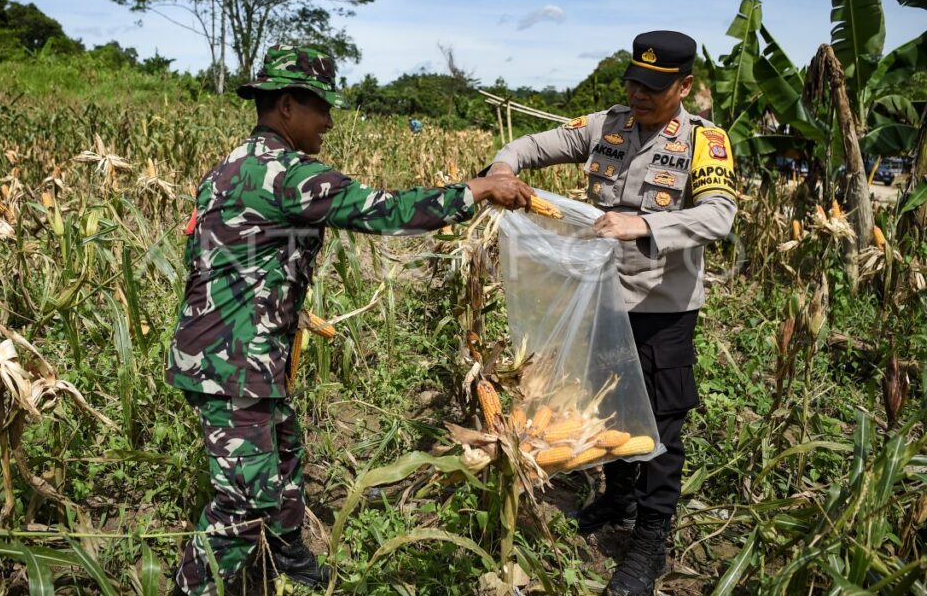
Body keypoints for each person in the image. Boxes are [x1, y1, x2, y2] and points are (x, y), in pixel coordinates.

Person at [167, 45, 534, 595]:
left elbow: (218, 258)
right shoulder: (289, 175)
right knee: (243, 501)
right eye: (321, 108)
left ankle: (288, 556)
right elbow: (387, 211)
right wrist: (476, 190)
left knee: (284, 450)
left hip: (230, 351)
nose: (329, 122)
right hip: (234, 362)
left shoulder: (227, 168)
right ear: (287, 106)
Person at [485, 31, 737, 596]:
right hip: (603, 296)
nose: (638, 95)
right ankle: (617, 498)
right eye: (633, 83)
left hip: (662, 308)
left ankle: (649, 540)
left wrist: (643, 223)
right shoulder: (606, 126)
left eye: (653, 87)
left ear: (684, 87)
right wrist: (502, 170)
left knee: (662, 426)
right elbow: (528, 146)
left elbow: (719, 216)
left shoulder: (704, 140)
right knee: (609, 403)